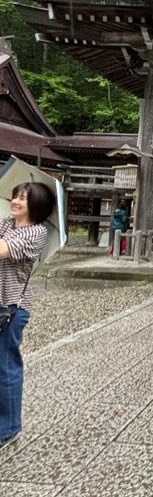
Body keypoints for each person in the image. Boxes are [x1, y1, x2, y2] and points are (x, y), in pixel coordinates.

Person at [0, 182, 55, 444]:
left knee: (6, 366)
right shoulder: (5, 225)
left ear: (37, 205)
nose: (16, 201)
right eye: (15, 196)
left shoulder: (36, 233)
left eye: (23, 198)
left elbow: (2, 250)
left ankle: (9, 428)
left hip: (10, 309)